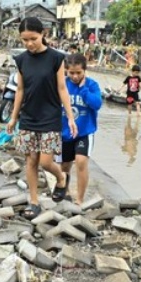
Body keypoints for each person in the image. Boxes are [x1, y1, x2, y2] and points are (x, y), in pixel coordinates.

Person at [7, 17, 77, 220]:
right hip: (28, 117)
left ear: (43, 34)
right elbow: (20, 89)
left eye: (33, 39)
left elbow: (62, 89)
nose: (29, 44)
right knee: (31, 161)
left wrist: (70, 118)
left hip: (50, 116)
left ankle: (61, 178)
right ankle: (34, 201)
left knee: (46, 162)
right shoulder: (21, 60)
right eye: (24, 40)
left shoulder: (56, 58)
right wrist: (13, 117)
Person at [56, 53, 102, 205]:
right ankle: (66, 192)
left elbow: (97, 104)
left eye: (78, 73)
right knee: (65, 165)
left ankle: (79, 200)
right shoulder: (62, 85)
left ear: (85, 71)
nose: (75, 76)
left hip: (84, 131)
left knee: (81, 162)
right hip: (64, 133)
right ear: (66, 71)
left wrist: (84, 91)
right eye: (71, 73)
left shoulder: (92, 85)